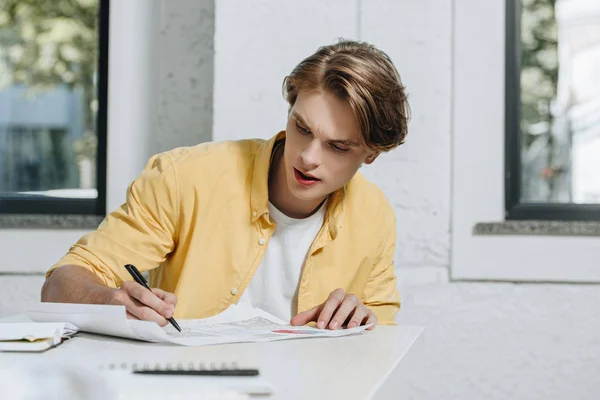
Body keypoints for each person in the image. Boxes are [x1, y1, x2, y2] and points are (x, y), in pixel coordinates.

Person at [41, 39, 410, 331]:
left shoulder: (374, 215)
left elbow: (381, 331)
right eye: (302, 128)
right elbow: (59, 284)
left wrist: (362, 319)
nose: (309, 157)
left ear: (371, 154)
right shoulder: (184, 177)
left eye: (338, 146)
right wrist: (107, 302)